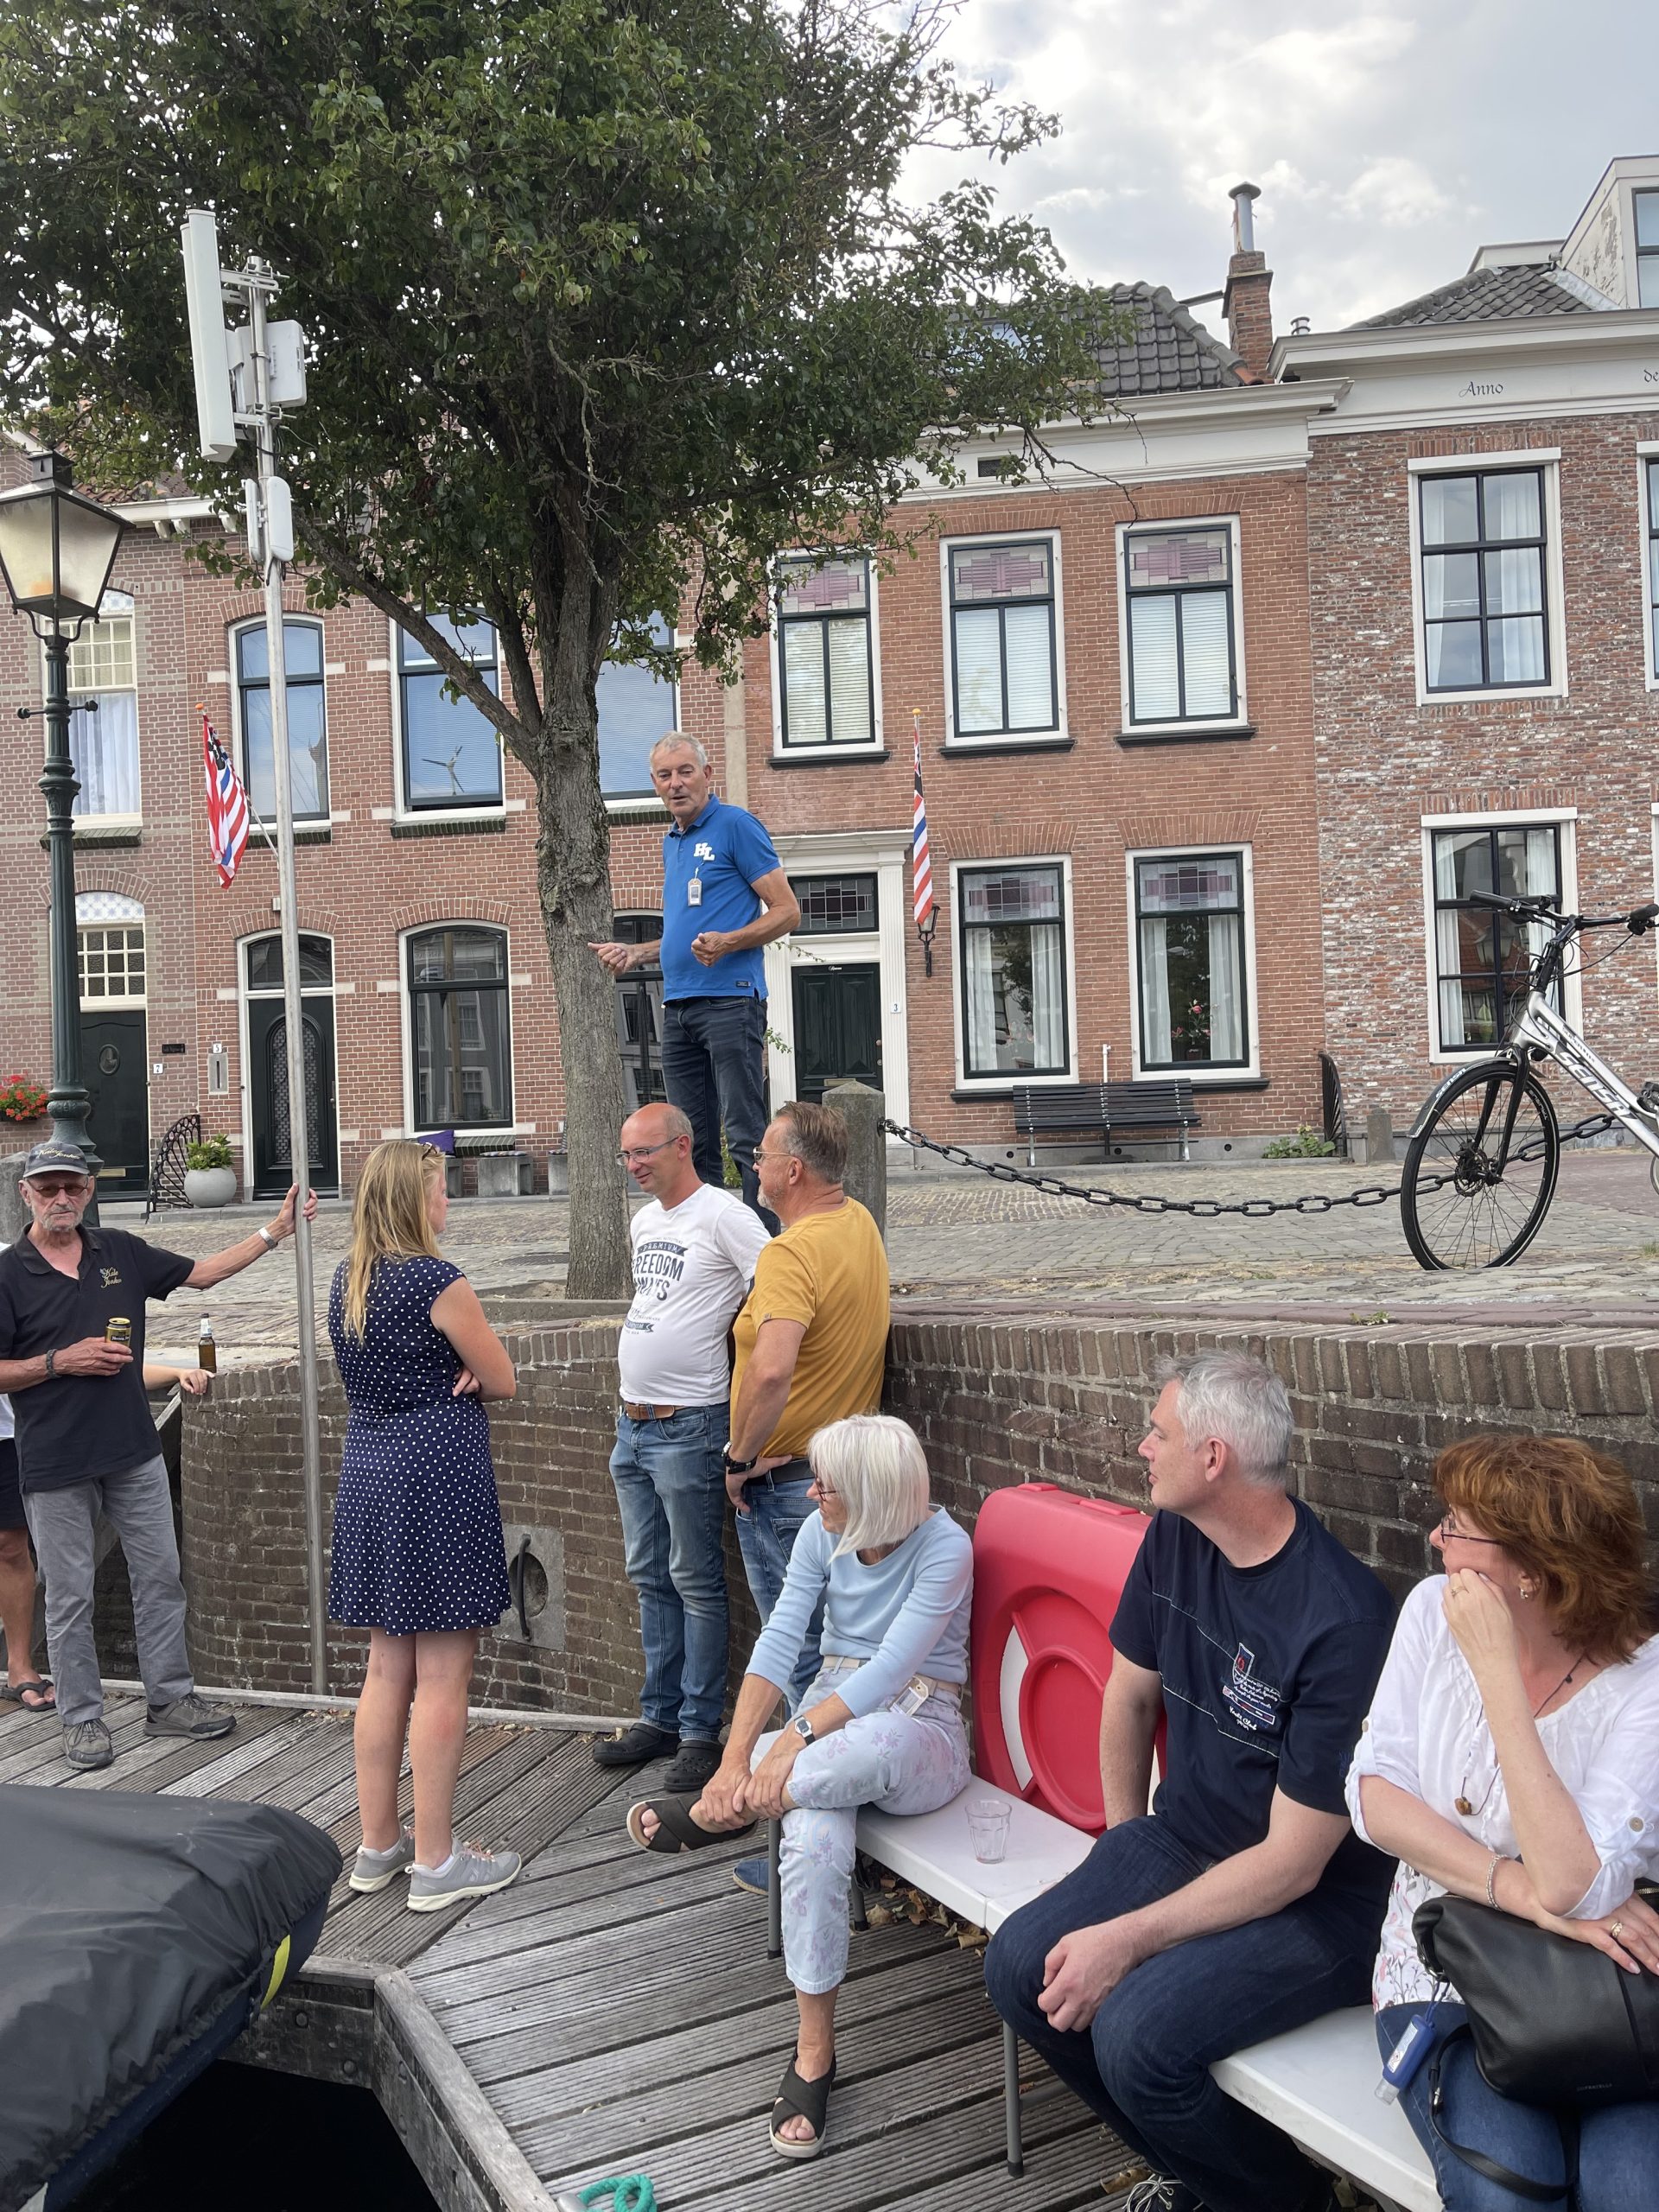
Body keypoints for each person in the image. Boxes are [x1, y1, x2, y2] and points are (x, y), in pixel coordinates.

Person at [984, 1351, 1397, 2212]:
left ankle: (1291, 2203)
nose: (1142, 1446)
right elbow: (1129, 1695)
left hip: (1319, 1902)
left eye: (1158, 1432)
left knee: (1139, 2036)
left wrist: (1129, 1936)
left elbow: (1293, 1863)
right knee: (1020, 1968)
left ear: (1214, 1457)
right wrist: (1121, 1842)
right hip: (1181, 1837)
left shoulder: (1342, 1618)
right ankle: (1206, 2176)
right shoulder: (1177, 1533)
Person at [626, 1414, 971, 2161]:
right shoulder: (822, 1532)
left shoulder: (946, 1547)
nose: (811, 1494)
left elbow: (892, 1669)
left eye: (827, 1485)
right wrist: (732, 1758)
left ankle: (730, 1816)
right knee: (813, 1840)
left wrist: (788, 1745)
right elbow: (781, 1639)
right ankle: (815, 2052)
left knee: (857, 1754)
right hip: (825, 1722)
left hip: (917, 1726)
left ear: (874, 1493)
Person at [1347, 1433, 1659, 2212]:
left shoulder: (1644, 1682)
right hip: (1444, 1972)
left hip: (1608, 1993)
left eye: (1457, 1529)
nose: (1436, 1540)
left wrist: (1497, 1674)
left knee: (1631, 2192)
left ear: (1532, 1574)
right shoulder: (1431, 1610)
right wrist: (1521, 1893)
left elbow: (1573, 1883)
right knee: (1509, 2195)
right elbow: (1374, 1796)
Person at [0, 1138, 316, 1771]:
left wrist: (275, 1231)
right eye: (48, 1187)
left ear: (89, 1191)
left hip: (133, 1450)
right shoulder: (8, 1274)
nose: (61, 1197)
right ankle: (82, 1718)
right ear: (26, 1194)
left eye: (72, 1186)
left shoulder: (119, 1251)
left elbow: (204, 1273)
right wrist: (59, 1362)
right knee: (70, 1595)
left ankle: (169, 1700)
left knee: (161, 1578)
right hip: (55, 1460)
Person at [328, 1138, 523, 1911]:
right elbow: (503, 1378)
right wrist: (467, 1369)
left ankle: (378, 1845)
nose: (447, 1201)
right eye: (440, 1190)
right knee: (443, 1673)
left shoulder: (349, 1279)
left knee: (385, 1669)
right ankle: (438, 1862)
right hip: (436, 1475)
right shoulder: (437, 1281)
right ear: (416, 1199)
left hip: (370, 1470)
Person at [594, 1100, 769, 1795]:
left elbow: (773, 1291)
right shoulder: (644, 1222)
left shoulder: (724, 1215)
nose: (633, 1165)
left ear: (682, 1147)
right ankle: (659, 1717)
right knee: (648, 1574)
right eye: (626, 1154)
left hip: (691, 1424)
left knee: (695, 1578)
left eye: (644, 1152)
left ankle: (699, 1729)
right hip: (632, 1424)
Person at [722, 1100, 889, 1713]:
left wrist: (739, 1459)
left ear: (793, 1170)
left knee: (800, 1663)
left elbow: (771, 1371)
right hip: (852, 1478)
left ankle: (803, 1773)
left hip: (791, 1487)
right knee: (846, 1657)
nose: (755, 1166)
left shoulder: (788, 1253)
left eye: (762, 1156)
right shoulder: (859, 1223)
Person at [589, 733, 798, 1220]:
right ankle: (707, 1246)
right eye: (665, 775)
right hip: (679, 1007)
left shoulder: (735, 826)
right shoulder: (673, 842)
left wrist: (729, 941)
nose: (676, 783)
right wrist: (638, 953)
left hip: (730, 1002)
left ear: (707, 774)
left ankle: (764, 1247)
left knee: (745, 1133)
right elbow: (682, 938)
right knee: (689, 1141)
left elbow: (787, 911)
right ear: (655, 784)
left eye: (685, 772)